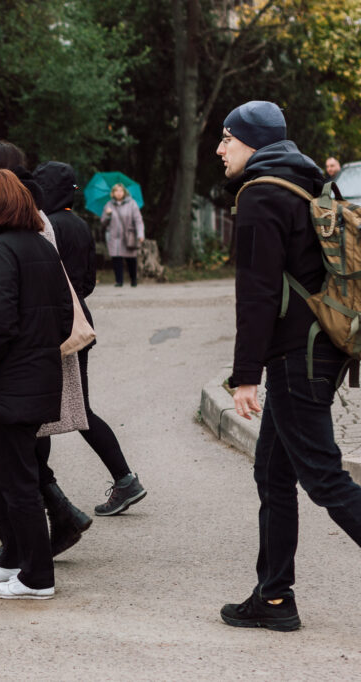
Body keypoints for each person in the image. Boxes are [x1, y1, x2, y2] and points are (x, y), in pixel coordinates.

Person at [217, 100, 361, 631]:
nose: (219, 148)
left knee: (322, 476)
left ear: (251, 141)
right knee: (273, 471)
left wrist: (245, 375)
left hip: (296, 356)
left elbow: (256, 294)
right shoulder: (309, 185)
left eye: (227, 138)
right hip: (318, 346)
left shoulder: (260, 195)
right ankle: (275, 598)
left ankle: (275, 594)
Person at [0, 146, 93, 568]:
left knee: (15, 479)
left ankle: (34, 572)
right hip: (34, 377)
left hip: (10, 382)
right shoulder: (38, 244)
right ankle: (17, 559)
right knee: (0, 469)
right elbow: (63, 313)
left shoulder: (0, 250)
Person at [33, 161, 146, 519]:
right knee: (74, 409)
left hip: (56, 323)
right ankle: (120, 479)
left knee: (46, 413)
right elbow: (90, 281)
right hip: (80, 319)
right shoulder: (79, 224)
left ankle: (43, 493)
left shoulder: (46, 225)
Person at [100, 184, 144, 287]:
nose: (119, 193)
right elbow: (103, 223)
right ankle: (119, 281)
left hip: (128, 235)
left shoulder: (132, 204)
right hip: (114, 236)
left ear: (124, 192)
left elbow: (138, 220)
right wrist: (108, 215)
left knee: (131, 259)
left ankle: (133, 280)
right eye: (116, 191)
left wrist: (140, 234)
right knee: (116, 258)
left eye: (121, 191)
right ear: (113, 193)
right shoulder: (108, 205)